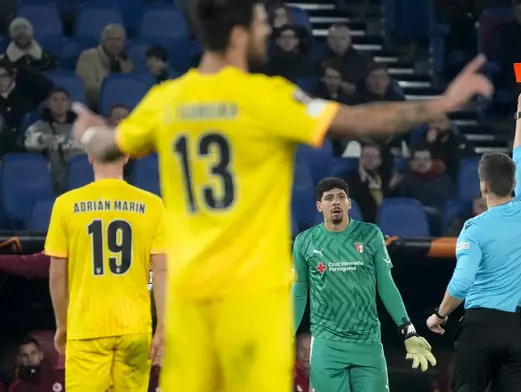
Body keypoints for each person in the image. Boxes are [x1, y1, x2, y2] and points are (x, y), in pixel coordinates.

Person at [68, 1, 493, 391]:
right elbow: (358, 121)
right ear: (238, 34)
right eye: (260, 24)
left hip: (187, 301)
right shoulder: (266, 97)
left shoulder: (167, 100)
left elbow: (108, 144)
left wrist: (86, 127)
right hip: (252, 298)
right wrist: (441, 103)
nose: (267, 31)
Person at [425, 81, 521, 392]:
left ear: (483, 187)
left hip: (480, 328)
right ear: (514, 182)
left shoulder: (474, 228)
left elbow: (462, 283)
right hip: (519, 330)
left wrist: (439, 315)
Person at [292, 177, 435, 392]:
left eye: (341, 197)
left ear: (349, 203)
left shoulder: (371, 235)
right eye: (329, 198)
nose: (336, 202)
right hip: (326, 346)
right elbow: (299, 293)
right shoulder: (305, 241)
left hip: (367, 344)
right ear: (319, 206)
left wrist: (409, 332)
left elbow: (386, 286)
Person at [44, 151, 167, 391]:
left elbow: (57, 275)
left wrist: (62, 325)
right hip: (135, 327)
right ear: (127, 157)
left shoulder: (66, 204)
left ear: (90, 156)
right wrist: (162, 326)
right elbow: (162, 272)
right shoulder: (152, 204)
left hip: (87, 326)